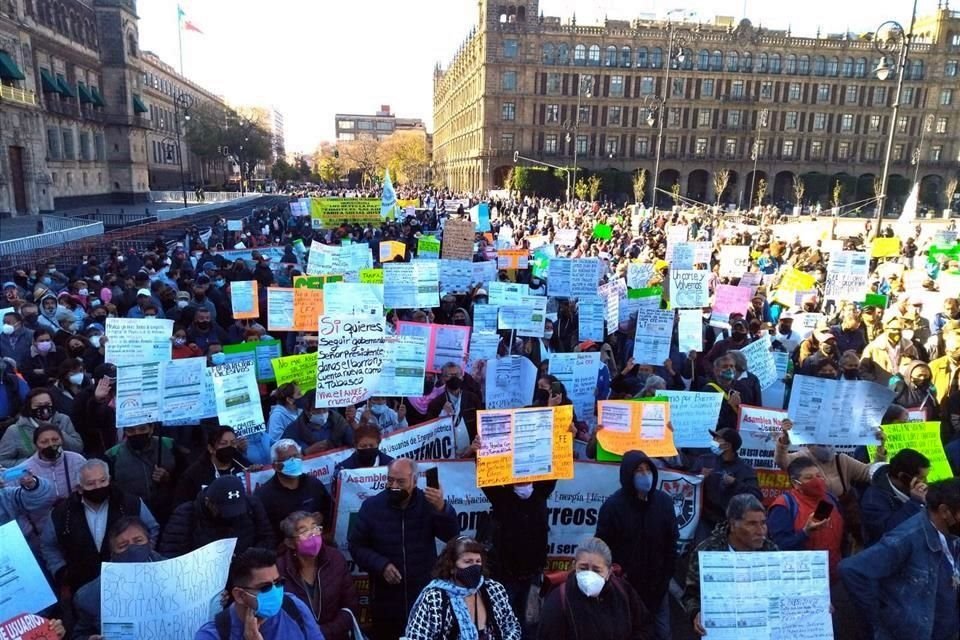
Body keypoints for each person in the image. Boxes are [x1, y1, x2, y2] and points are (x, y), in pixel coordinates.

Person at [348, 457, 459, 640]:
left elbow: (452, 537)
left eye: (401, 481)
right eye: (390, 480)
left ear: (414, 481)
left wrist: (441, 509)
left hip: (423, 595)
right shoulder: (372, 507)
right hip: (386, 600)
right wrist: (381, 565)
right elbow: (356, 546)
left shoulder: (427, 504)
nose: (394, 485)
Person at [840, 478, 960, 640]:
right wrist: (880, 619)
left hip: (946, 628)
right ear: (945, 511)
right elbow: (851, 569)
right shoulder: (905, 538)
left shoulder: (950, 533)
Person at [40, 459, 159, 593]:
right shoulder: (61, 514)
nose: (98, 487)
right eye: (90, 484)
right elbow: (48, 545)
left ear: (109, 480)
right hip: (82, 586)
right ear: (79, 488)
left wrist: (143, 555)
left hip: (130, 580)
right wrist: (61, 571)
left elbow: (152, 529)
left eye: (102, 481)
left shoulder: (131, 504)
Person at [596, 451, 678, 640]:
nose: (645, 475)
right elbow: (603, 547)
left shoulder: (663, 502)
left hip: (658, 587)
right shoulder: (613, 507)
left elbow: (671, 542)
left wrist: (666, 576)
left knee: (662, 633)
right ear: (627, 475)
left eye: (648, 469)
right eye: (638, 471)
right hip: (626, 587)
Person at [683, 495, 779, 636]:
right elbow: (691, 595)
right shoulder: (708, 552)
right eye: (752, 524)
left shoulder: (771, 551)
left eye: (763, 523)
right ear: (733, 525)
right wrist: (696, 613)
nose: (760, 530)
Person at [405, 536, 522, 640]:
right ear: (452, 567)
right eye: (468, 562)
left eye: (478, 561)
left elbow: (512, 627)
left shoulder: (494, 590)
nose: (474, 567)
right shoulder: (434, 597)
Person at [479, 477, 556, 634]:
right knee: (504, 621)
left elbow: (553, 472)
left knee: (531, 622)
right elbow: (487, 478)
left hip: (533, 575)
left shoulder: (541, 493)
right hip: (506, 575)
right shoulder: (501, 497)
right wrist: (478, 456)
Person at [194, 547, 324, 640]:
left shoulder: (294, 607)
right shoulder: (213, 634)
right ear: (240, 595)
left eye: (278, 582)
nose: (275, 591)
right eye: (265, 587)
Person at [537, 537, 650, 640]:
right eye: (583, 568)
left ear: (609, 571)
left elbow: (644, 627)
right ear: (574, 566)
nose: (589, 575)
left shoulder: (623, 591)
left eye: (597, 570)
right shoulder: (559, 601)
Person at [72, 516, 165, 640]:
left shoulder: (178, 575)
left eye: (138, 541)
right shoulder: (90, 596)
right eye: (123, 546)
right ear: (113, 554)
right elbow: (79, 635)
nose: (132, 549)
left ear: (149, 542)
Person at [275, 510, 359, 639]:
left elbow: (350, 606)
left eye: (315, 527)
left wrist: (322, 633)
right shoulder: (279, 568)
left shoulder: (335, 558)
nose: (312, 534)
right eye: (303, 531)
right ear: (290, 543)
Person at [160, 475, 275, 558]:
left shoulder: (252, 506)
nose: (231, 516)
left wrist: (249, 557)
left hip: (245, 573)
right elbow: (171, 555)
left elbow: (267, 538)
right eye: (224, 510)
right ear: (208, 502)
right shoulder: (186, 515)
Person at [767, 457, 845, 578]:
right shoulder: (784, 506)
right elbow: (779, 546)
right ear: (795, 483)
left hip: (834, 576)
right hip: (802, 578)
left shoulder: (830, 499)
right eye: (809, 478)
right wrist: (805, 533)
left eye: (818, 476)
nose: (817, 481)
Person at [10, 423, 85, 541]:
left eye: (55, 439)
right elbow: (15, 507)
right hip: (41, 533)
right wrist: (30, 531)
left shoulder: (77, 460)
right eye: (44, 442)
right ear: (36, 445)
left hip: (76, 526)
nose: (51, 444)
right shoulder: (22, 470)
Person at [254, 439, 333, 541]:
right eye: (288, 458)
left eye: (296, 456)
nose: (294, 461)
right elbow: (263, 533)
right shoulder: (263, 496)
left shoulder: (314, 484)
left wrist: (321, 518)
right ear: (275, 466)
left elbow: (329, 511)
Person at [104, 422, 181, 525]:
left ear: (151, 428)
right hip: (133, 515)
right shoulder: (112, 455)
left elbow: (185, 478)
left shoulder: (169, 445)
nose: (137, 433)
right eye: (131, 430)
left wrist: (168, 478)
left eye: (142, 429)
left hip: (169, 512)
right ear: (125, 431)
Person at [689, 428, 762, 530]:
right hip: (705, 520)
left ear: (727, 446)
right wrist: (699, 477)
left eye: (717, 439)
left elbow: (756, 496)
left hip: (731, 523)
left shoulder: (745, 469)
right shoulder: (704, 460)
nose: (713, 441)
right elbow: (686, 485)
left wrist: (735, 483)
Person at [860, 448, 930, 547]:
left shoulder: (913, 490)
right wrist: (914, 503)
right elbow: (889, 532)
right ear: (902, 476)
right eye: (921, 478)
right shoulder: (873, 500)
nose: (925, 482)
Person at [0, 387, 84, 467]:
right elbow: (2, 460)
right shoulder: (15, 430)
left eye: (47, 404)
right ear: (29, 408)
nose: (44, 409)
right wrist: (32, 463)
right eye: (38, 406)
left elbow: (78, 448)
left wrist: (57, 431)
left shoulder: (63, 420)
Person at [173, 426, 250, 506]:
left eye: (233, 443)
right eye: (223, 443)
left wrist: (256, 474)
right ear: (211, 448)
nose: (229, 447)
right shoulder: (193, 475)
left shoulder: (243, 465)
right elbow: (182, 508)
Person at [282, 391, 353, 454]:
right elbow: (282, 452)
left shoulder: (339, 422)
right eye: (317, 410)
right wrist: (306, 451)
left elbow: (354, 441)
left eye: (324, 408)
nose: (322, 412)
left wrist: (353, 423)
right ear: (307, 411)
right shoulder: (295, 429)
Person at [691, 354, 742, 430]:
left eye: (732, 366)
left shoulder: (739, 388)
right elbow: (709, 421)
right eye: (725, 366)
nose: (729, 369)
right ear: (716, 371)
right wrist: (730, 406)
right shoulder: (708, 391)